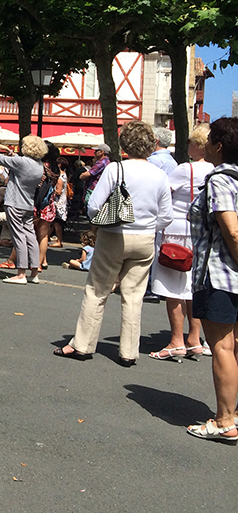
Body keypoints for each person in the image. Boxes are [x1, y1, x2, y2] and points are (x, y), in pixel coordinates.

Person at [55, 121, 172, 365]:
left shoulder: (115, 169)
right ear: (151, 145)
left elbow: (94, 205)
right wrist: (149, 228)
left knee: (97, 289)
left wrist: (103, 224)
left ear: (124, 145)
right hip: (145, 239)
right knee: (133, 295)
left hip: (115, 235)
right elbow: (166, 215)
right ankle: (129, 352)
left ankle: (83, 345)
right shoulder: (160, 174)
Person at [186, 117, 238, 443]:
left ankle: (224, 419)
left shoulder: (220, 179)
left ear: (218, 146)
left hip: (219, 273)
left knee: (221, 346)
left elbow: (231, 229)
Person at [148, 124, 214, 362]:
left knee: (172, 289)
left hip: (176, 231)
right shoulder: (216, 169)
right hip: (201, 234)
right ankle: (194, 339)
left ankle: (176, 340)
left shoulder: (186, 169)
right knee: (193, 288)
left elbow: (163, 193)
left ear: (197, 146)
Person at [0, 134, 46, 284]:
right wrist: (11, 153)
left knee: (18, 238)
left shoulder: (21, 162)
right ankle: (34, 272)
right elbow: (20, 162)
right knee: (31, 237)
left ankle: (21, 273)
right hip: (28, 204)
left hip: (15, 203)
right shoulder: (39, 165)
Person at [51, 157, 70, 247]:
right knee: (54, 222)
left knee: (56, 221)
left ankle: (59, 240)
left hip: (58, 202)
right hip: (62, 201)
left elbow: (58, 191)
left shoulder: (60, 176)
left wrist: (51, 191)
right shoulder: (65, 175)